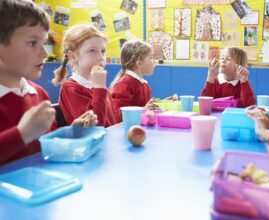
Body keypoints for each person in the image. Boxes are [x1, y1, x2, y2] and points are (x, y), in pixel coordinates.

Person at [0, 0, 96, 165]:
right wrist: (21, 134)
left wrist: (71, 131)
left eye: (44, 43)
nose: (44, 53)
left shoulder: (38, 94)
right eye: (32, 43)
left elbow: (46, 146)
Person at [52, 24, 116, 127]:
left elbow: (112, 123)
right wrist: (99, 88)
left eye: (103, 51)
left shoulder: (99, 85)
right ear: (73, 56)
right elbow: (94, 128)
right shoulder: (70, 88)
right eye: (92, 51)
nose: (101, 57)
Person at [110, 40, 157, 122]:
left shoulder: (144, 84)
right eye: (151, 57)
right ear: (139, 63)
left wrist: (160, 104)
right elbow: (117, 116)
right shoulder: (125, 83)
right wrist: (144, 110)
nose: (154, 62)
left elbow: (144, 110)